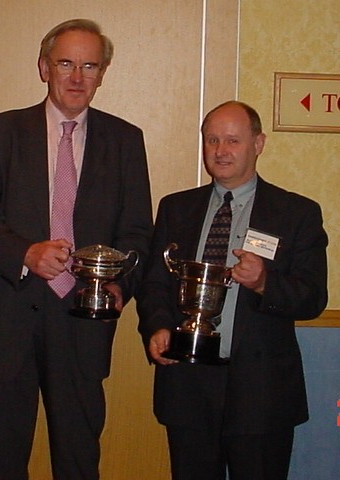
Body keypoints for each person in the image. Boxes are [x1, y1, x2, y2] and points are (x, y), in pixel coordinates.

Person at [0, 19, 153, 480]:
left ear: (103, 73)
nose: (77, 77)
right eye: (66, 63)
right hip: (6, 320)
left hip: (84, 325)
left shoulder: (126, 140)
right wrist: (25, 253)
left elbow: (138, 232)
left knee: (80, 459)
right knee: (4, 462)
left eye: (90, 65)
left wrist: (119, 287)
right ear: (44, 67)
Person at [137, 100, 328, 480]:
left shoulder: (296, 213)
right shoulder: (176, 208)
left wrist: (264, 283)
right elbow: (155, 284)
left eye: (233, 141)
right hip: (188, 384)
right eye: (212, 140)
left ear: (258, 143)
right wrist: (158, 327)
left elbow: (312, 298)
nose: (221, 151)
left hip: (262, 391)